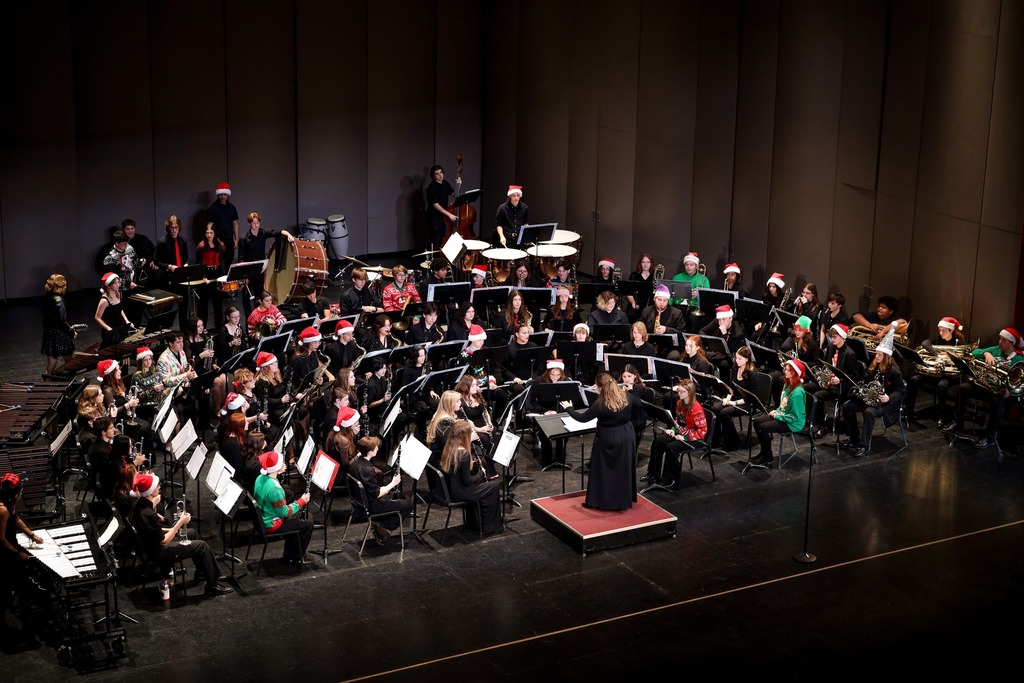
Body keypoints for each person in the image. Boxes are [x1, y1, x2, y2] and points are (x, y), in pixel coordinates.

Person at [129, 472, 232, 595]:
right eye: (156, 486)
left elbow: (152, 531)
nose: (159, 487)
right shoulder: (148, 514)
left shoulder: (138, 505)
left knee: (192, 533)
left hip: (150, 545)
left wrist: (171, 529)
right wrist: (179, 523)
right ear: (150, 491)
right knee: (202, 546)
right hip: (159, 552)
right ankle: (212, 585)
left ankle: (202, 572)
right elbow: (163, 541)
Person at [566, 373, 642, 510]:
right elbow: (639, 403)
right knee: (623, 468)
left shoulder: (600, 403)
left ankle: (600, 501)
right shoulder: (626, 396)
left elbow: (582, 418)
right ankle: (623, 500)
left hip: (608, 437)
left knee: (602, 469)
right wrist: (629, 390)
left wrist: (568, 408)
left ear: (600, 388)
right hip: (626, 434)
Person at [841, 330, 906, 457]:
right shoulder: (874, 366)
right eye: (876, 354)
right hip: (870, 398)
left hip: (885, 403)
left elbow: (900, 391)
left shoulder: (895, 372)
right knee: (847, 406)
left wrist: (888, 398)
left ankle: (864, 445)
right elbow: (865, 380)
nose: (875, 357)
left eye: (879, 355)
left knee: (869, 412)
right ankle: (854, 438)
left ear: (886, 357)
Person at [1, 473, 46, 645]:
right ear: (15, 493)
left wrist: (32, 535)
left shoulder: (9, 504)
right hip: (5, 554)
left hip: (12, 548)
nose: (22, 492)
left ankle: (25, 625)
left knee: (11, 591)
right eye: (21, 490)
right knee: (16, 591)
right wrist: (17, 554)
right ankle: (27, 630)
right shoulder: (3, 509)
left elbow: (17, 520)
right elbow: (1, 539)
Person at [439, 422, 503, 534]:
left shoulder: (449, 447)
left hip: (452, 489)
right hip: (462, 492)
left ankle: (476, 522)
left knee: (485, 485)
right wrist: (481, 474)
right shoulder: (464, 454)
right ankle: (489, 527)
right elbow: (468, 481)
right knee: (493, 487)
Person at [348, 436, 411, 545]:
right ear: (370, 452)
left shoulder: (355, 462)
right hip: (370, 506)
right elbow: (376, 494)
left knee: (400, 498)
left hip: (358, 503)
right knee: (408, 504)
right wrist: (393, 483)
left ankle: (381, 524)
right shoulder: (368, 470)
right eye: (376, 448)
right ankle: (384, 526)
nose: (378, 449)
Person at [253, 451, 313, 565]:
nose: (283, 464)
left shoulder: (260, 477)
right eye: (281, 463)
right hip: (272, 524)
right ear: (276, 468)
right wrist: (301, 501)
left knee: (297, 519)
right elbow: (285, 512)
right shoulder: (275, 490)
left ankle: (290, 553)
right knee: (308, 525)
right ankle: (296, 557)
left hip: (263, 517)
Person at [646, 379, 707, 485]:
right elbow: (678, 421)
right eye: (678, 391)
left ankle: (670, 478)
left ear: (690, 393)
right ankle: (652, 474)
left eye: (682, 392)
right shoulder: (679, 403)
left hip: (696, 439)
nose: (679, 393)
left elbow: (702, 431)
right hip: (682, 433)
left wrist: (685, 438)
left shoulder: (697, 409)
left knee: (672, 447)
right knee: (658, 442)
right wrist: (673, 430)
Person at [812, 323, 865, 438]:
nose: (832, 339)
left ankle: (823, 426)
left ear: (842, 337)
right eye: (831, 337)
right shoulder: (831, 347)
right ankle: (814, 420)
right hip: (829, 382)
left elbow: (855, 377)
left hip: (842, 387)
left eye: (835, 337)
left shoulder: (850, 354)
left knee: (817, 396)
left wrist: (840, 380)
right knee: (809, 389)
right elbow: (827, 365)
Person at [236, 211, 295, 314]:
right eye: (254, 223)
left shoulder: (263, 233)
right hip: (248, 272)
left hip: (259, 270)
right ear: (249, 223)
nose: (256, 225)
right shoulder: (243, 239)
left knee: (259, 296)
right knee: (246, 298)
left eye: (258, 222)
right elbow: (241, 259)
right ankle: (248, 321)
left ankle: (259, 318)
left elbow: (278, 232)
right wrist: (244, 277)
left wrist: (289, 234)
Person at [751, 359, 807, 467]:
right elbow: (784, 406)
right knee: (757, 422)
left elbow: (794, 416)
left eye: (788, 370)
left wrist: (777, 415)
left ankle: (767, 456)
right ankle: (764, 452)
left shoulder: (797, 393)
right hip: (784, 416)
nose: (784, 371)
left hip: (793, 423)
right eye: (785, 369)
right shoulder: (787, 385)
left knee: (763, 427)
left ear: (794, 373)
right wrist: (777, 411)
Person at [709, 347, 758, 451]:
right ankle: (715, 440)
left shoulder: (752, 374)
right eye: (736, 358)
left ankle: (733, 442)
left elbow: (751, 398)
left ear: (747, 359)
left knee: (724, 413)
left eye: (740, 359)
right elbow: (731, 387)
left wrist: (734, 403)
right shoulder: (735, 368)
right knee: (715, 408)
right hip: (734, 398)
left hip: (747, 403)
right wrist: (727, 398)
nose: (737, 361)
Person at [153, 215, 191, 328]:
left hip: (181, 277)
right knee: (167, 308)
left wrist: (186, 264)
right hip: (168, 278)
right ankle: (165, 333)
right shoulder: (162, 242)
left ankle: (184, 332)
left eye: (176, 228)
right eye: (172, 228)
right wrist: (169, 266)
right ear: (168, 228)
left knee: (184, 307)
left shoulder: (183, 240)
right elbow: (156, 261)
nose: (174, 230)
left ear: (179, 228)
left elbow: (186, 257)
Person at [41, 273, 77, 377]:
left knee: (51, 363)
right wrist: (71, 331)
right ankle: (71, 382)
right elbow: (62, 321)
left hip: (49, 333)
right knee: (70, 362)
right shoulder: (59, 300)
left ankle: (46, 383)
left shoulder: (47, 298)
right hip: (59, 334)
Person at [195, 223, 226, 324]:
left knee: (218, 302)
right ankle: (202, 327)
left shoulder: (218, 244)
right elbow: (198, 263)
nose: (209, 235)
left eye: (211, 233)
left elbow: (221, 260)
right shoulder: (201, 246)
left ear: (214, 233)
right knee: (203, 303)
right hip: (206, 274)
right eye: (207, 233)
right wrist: (203, 277)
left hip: (217, 273)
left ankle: (219, 326)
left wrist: (224, 275)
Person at [95, 272, 133, 348]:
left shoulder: (118, 294)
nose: (118, 285)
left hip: (120, 326)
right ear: (108, 286)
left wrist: (127, 321)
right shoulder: (104, 300)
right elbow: (97, 318)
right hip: (110, 328)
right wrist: (109, 329)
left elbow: (120, 309)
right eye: (115, 283)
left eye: (118, 282)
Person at [425, 165, 460, 249]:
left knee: (442, 237)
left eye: (441, 172)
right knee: (436, 239)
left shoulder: (445, 183)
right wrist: (449, 214)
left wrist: (458, 185)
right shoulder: (431, 187)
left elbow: (455, 195)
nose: (440, 175)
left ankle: (441, 259)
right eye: (437, 174)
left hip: (443, 215)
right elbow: (435, 205)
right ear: (433, 176)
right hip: (434, 216)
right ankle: (435, 260)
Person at [206, 182, 239, 268]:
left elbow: (235, 223)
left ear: (228, 195)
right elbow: (210, 227)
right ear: (218, 195)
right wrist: (219, 242)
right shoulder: (212, 209)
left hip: (229, 241)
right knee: (220, 265)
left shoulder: (232, 208)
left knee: (229, 265)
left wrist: (236, 239)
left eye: (225, 194)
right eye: (221, 194)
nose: (223, 196)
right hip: (217, 241)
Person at [626, 253, 656, 317]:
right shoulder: (634, 275)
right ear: (640, 263)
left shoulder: (654, 276)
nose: (645, 264)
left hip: (649, 305)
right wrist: (633, 303)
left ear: (651, 264)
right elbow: (629, 293)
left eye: (648, 262)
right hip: (636, 304)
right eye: (643, 262)